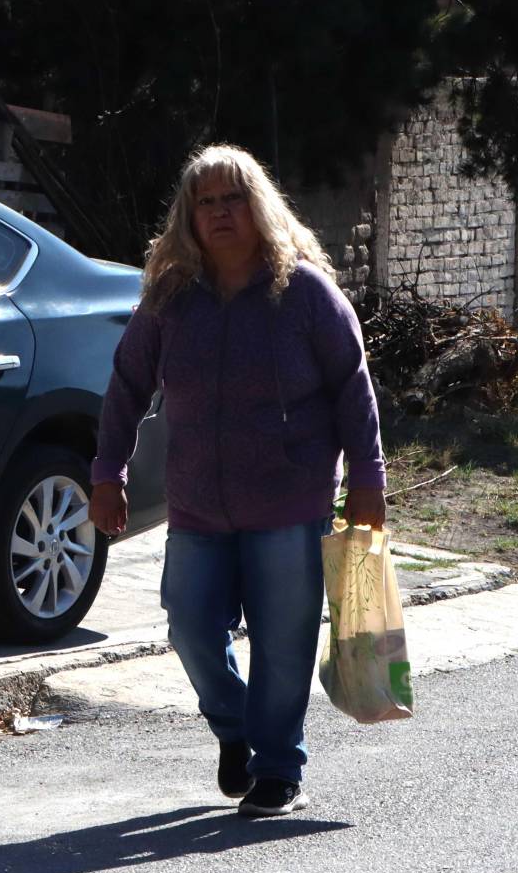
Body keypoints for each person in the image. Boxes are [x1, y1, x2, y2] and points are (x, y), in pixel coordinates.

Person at [89, 144, 385, 819]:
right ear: (188, 217)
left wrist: (368, 478)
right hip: (197, 504)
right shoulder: (170, 298)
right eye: (206, 201)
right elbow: (128, 383)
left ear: (259, 208)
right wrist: (108, 469)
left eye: (233, 199)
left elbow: (352, 384)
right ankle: (235, 729)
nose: (220, 212)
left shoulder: (303, 291)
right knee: (190, 625)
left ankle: (279, 767)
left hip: (291, 500)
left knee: (283, 641)